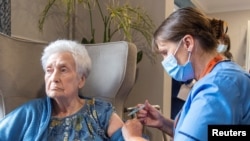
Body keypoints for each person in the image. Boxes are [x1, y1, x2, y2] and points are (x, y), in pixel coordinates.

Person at [124, 7, 250, 141]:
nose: (165, 61)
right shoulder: (224, 76)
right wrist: (163, 123)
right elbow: (210, 134)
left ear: (188, 43)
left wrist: (133, 137)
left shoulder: (218, 86)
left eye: (165, 52)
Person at [0, 39, 126, 141]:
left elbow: (129, 137)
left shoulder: (100, 112)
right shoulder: (31, 112)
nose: (54, 78)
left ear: (81, 80)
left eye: (63, 70)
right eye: (49, 70)